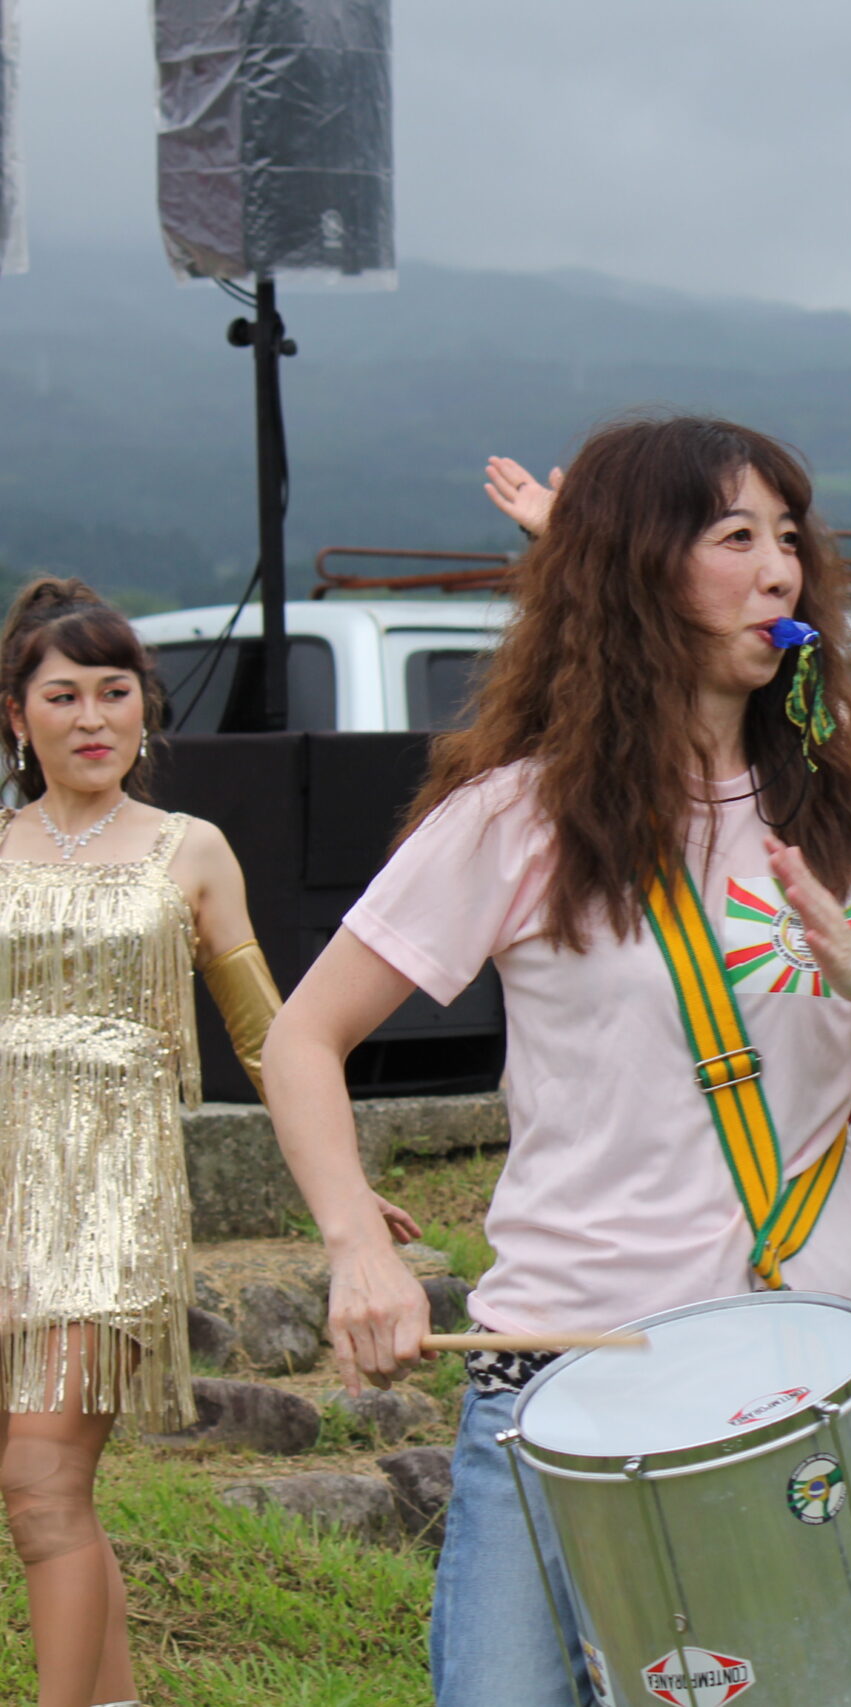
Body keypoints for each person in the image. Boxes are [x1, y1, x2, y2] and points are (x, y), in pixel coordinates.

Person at [268, 417, 851, 1707]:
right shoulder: (519, 815)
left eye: (790, 538)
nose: (781, 571)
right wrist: (357, 1244)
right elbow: (302, 1037)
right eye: (734, 537)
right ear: (629, 569)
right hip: (556, 1386)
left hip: (792, 1390)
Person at [0, 579, 372, 1707]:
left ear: (145, 709)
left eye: (116, 691)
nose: (92, 716)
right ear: (18, 717)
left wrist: (343, 1194)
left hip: (111, 1203)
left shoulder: (191, 849)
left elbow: (272, 1039)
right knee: (45, 1497)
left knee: (41, 1485)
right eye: (63, 695)